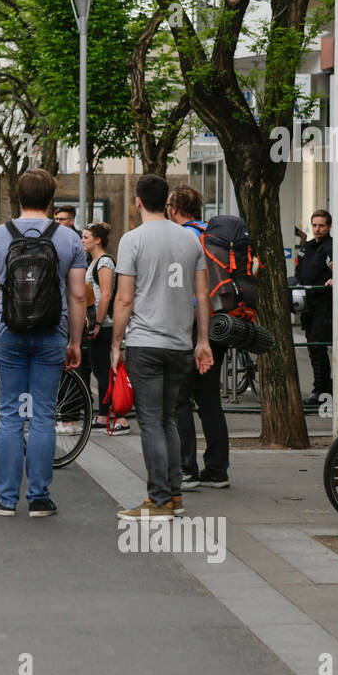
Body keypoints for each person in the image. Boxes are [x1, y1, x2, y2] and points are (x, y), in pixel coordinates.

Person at [0, 169, 86, 517]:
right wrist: (75, 341)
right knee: (42, 415)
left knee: (10, 415)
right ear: (51, 198)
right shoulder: (69, 239)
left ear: (19, 197)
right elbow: (79, 296)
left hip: (8, 334)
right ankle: (39, 498)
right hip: (52, 334)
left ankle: (6, 500)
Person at [111, 175, 214, 520]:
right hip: (180, 342)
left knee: (151, 421)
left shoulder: (133, 240)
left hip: (145, 341)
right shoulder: (190, 241)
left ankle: (157, 500)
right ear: (166, 203)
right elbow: (203, 298)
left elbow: (125, 298)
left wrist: (115, 343)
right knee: (168, 419)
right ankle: (173, 496)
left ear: (138, 201)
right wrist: (202, 341)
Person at [166, 186, 230, 489]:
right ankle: (217, 469)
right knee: (209, 397)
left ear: (173, 208)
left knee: (180, 397)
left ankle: (187, 468)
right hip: (222, 323)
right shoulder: (212, 233)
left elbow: (185, 289)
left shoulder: (182, 237)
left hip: (193, 325)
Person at [295, 209, 338, 406]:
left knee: (318, 347)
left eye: (321, 226)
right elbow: (299, 272)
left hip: (325, 306)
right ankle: (322, 388)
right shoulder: (307, 247)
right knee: (313, 348)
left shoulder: (333, 247)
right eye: (315, 225)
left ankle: (323, 390)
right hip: (308, 305)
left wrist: (335, 280)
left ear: (329, 227)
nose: (317, 229)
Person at [83, 222, 128, 434]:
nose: (82, 240)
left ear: (97, 240)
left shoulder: (104, 262)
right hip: (97, 323)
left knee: (106, 371)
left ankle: (120, 417)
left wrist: (99, 323)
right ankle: (103, 414)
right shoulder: (93, 262)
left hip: (106, 324)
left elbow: (107, 294)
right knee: (100, 370)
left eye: (86, 237)